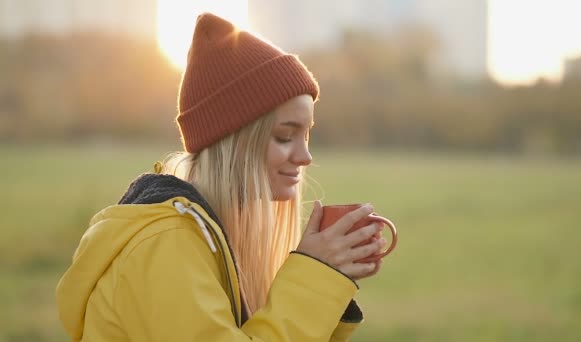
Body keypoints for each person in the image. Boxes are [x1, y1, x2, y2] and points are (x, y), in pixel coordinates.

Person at [56, 12, 387, 341]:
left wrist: (331, 288)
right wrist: (316, 279)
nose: (305, 156)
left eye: (306, 135)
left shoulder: (207, 238)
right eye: (285, 136)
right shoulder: (164, 246)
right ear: (234, 142)